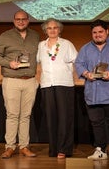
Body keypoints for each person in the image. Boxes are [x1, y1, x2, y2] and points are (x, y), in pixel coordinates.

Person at [75, 19, 109, 162]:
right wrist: (87, 74)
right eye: (94, 32)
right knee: (96, 123)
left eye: (100, 32)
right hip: (93, 93)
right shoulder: (85, 49)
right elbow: (79, 64)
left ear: (107, 32)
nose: (98, 35)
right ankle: (100, 150)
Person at [0, 10, 39, 159]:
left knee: (26, 116)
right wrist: (8, 63)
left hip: (30, 81)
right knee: (12, 115)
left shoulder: (35, 36)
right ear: (13, 21)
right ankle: (10, 147)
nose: (21, 22)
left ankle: (24, 146)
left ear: (28, 20)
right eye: (18, 19)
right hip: (11, 80)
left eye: (24, 19)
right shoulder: (5, 36)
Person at [36, 18, 77, 159]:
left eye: (55, 28)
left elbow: (77, 61)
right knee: (51, 118)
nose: (52, 30)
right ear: (45, 30)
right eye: (49, 28)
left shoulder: (67, 44)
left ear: (59, 29)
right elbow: (33, 61)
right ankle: (53, 149)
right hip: (47, 84)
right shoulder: (41, 45)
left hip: (64, 84)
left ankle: (64, 149)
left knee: (65, 118)